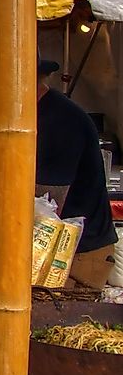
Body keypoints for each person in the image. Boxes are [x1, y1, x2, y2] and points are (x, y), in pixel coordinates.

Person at [35, 60, 118, 288]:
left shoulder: (58, 121)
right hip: (65, 248)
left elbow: (47, 207)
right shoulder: (41, 115)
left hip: (78, 254)